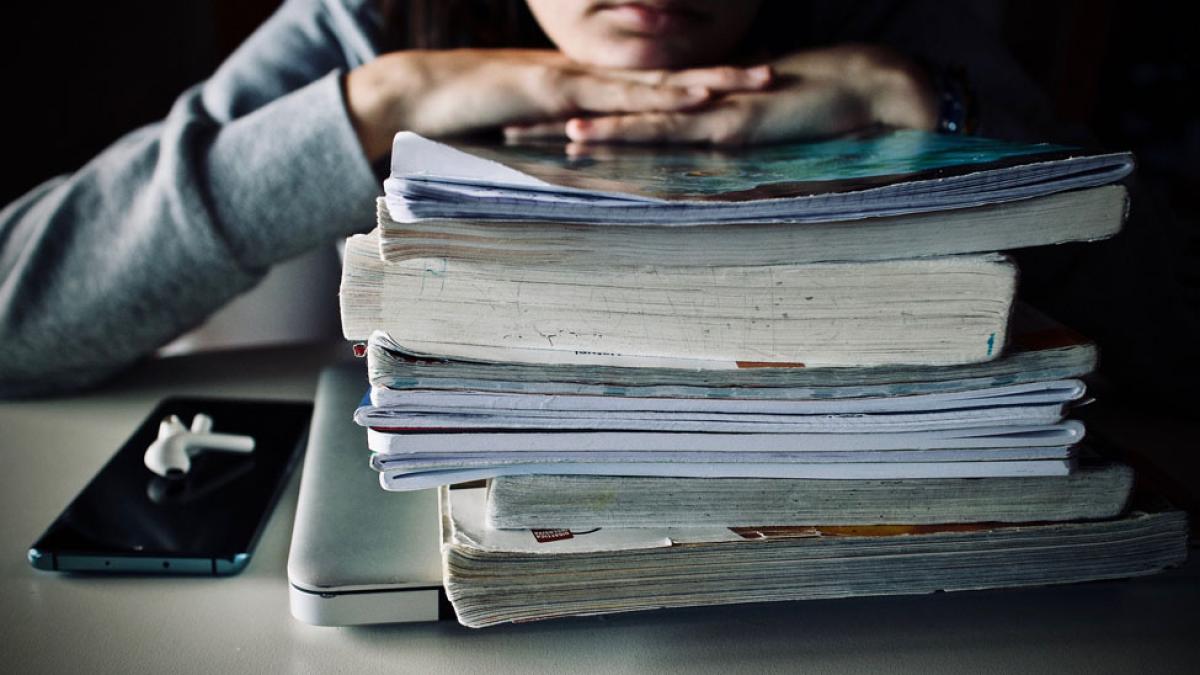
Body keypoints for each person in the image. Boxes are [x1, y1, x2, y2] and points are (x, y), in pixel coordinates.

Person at [0, 0, 1064, 397]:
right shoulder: (373, 25)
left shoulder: (905, 28)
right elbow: (18, 311)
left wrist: (914, 99)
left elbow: (1163, 348)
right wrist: (376, 103)